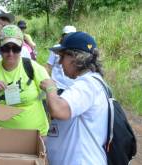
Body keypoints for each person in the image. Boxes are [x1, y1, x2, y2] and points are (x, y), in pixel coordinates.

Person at [40, 32, 108, 165]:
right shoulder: (89, 83)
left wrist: (50, 88)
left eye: (62, 57)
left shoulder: (87, 85)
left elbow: (58, 110)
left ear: (75, 57)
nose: (59, 62)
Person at [0, 25, 49, 136]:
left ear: (21, 48)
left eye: (16, 48)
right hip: (1, 136)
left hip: (36, 135)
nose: (11, 53)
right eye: (6, 48)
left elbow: (48, 93)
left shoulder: (32, 67)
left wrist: (36, 99)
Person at [46, 25, 76, 95]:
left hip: (72, 87)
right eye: (66, 35)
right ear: (63, 36)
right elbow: (48, 66)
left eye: (71, 35)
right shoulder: (56, 48)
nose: (68, 37)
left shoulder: (78, 51)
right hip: (57, 86)